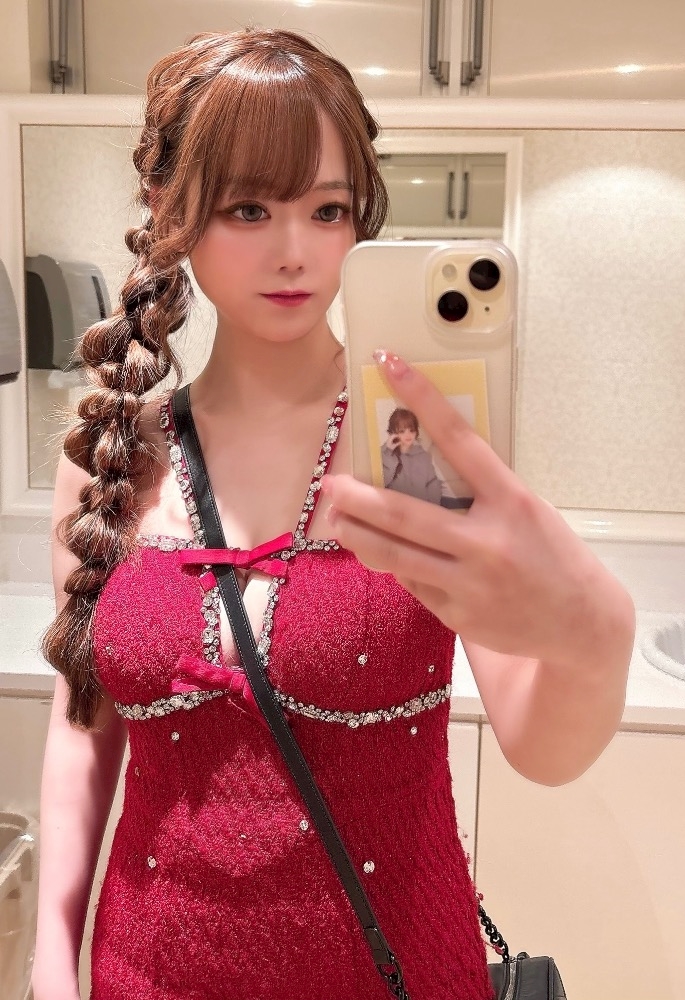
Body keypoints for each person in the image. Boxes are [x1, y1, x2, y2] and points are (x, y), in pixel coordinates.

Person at [31, 27, 636, 1000]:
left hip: (393, 968)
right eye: (249, 208)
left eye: (327, 210)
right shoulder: (116, 458)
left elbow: (538, 740)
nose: (294, 251)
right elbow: (83, 724)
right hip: (149, 969)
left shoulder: (411, 444)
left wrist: (595, 635)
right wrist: (48, 956)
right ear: (171, 211)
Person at [381, 407, 445, 504]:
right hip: (396, 508)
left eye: (411, 430)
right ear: (393, 433)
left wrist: (432, 505)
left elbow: (432, 483)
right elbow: (382, 482)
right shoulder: (384, 454)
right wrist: (388, 452)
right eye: (402, 431)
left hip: (422, 507)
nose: (408, 435)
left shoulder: (423, 456)